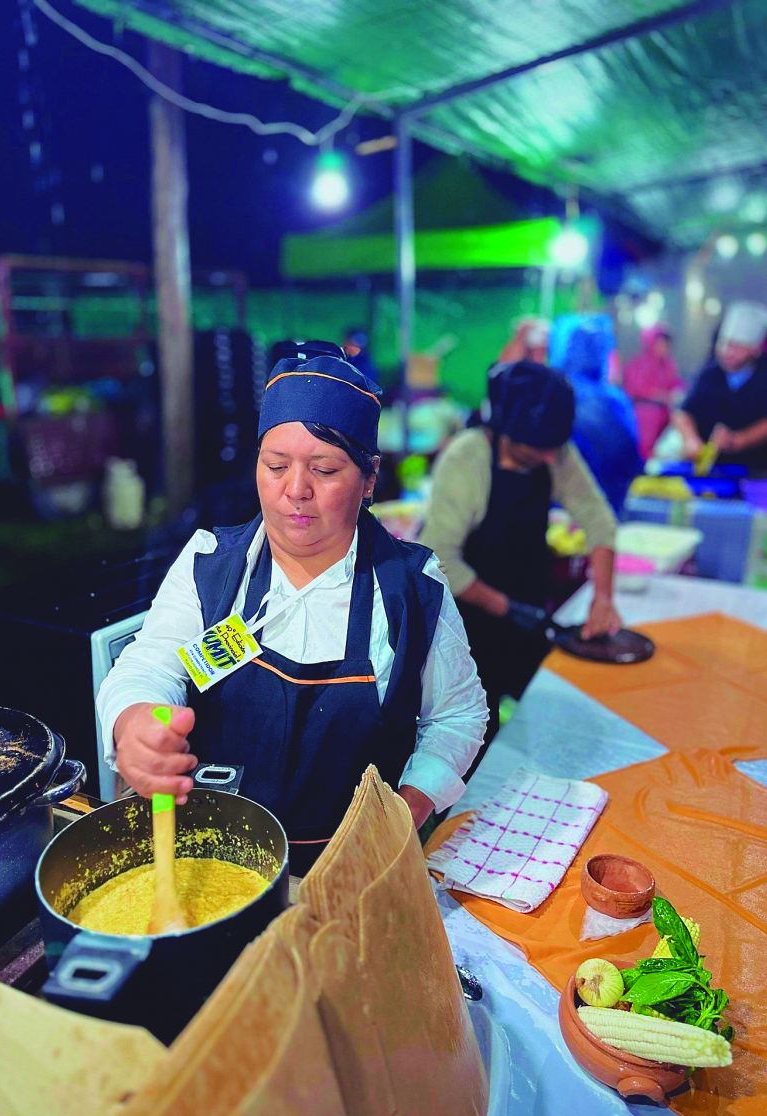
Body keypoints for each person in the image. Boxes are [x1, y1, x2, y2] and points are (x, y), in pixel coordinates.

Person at [97, 344, 488, 875]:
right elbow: (150, 665)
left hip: (351, 869)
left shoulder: (411, 589)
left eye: (324, 470)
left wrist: (409, 807)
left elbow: (457, 715)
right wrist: (134, 722)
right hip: (215, 858)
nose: (295, 490)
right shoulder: (212, 565)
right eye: (275, 465)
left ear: (369, 479)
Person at [421, 361, 620, 744]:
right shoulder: (467, 459)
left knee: (544, 726)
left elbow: (598, 519)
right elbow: (440, 557)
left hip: (529, 614)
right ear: (507, 430)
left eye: (554, 448)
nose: (550, 459)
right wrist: (505, 607)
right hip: (468, 629)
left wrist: (604, 598)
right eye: (540, 449)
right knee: (479, 737)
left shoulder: (556, 453)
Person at [550, 314, 642, 514]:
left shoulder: (552, 396)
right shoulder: (616, 402)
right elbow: (633, 462)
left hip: (562, 511)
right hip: (608, 508)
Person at [673, 301, 767, 472]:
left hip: (758, 471)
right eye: (723, 344)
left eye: (736, 347)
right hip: (714, 471)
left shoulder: (764, 375)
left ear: (755, 350)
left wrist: (739, 440)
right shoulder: (710, 375)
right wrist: (691, 440)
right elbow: (683, 412)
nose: (726, 351)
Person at [623, 324, 685, 459]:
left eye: (666, 344)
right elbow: (634, 389)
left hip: (664, 418)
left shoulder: (668, 365)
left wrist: (677, 392)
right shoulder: (639, 364)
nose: (664, 347)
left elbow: (676, 384)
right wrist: (661, 396)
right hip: (645, 416)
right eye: (661, 343)